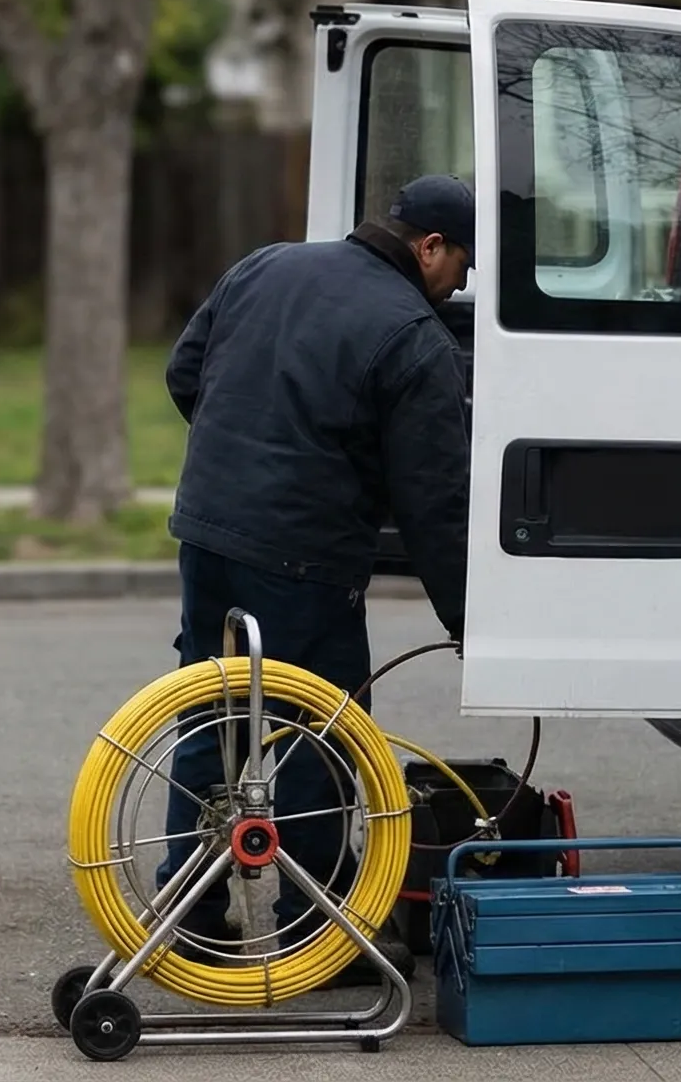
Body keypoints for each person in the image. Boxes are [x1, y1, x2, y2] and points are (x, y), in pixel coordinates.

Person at [155, 173, 474, 969]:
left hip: (209, 530)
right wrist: (469, 614)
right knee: (320, 735)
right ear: (429, 245)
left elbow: (183, 373)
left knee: (212, 707)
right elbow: (436, 502)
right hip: (304, 554)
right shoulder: (414, 334)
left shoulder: (267, 264)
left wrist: (247, 453)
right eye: (461, 265)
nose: (461, 285)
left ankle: (189, 908)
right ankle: (318, 929)